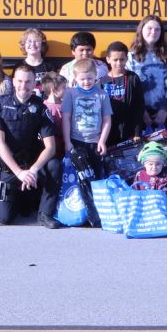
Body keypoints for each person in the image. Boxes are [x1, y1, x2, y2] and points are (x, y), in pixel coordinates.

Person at [0, 64, 63, 228]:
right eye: (20, 81)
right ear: (13, 82)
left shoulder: (41, 108)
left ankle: (44, 214)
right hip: (11, 166)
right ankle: (21, 200)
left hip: (33, 164)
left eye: (28, 82)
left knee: (55, 165)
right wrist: (19, 172)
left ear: (34, 83)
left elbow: (51, 147)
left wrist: (33, 170)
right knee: (5, 218)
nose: (24, 86)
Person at [61, 60, 112, 224]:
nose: (86, 82)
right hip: (77, 141)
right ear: (75, 78)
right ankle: (80, 213)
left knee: (95, 177)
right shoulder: (70, 94)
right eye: (82, 79)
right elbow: (66, 119)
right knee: (80, 179)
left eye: (90, 78)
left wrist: (102, 141)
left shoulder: (102, 94)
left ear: (96, 76)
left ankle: (95, 215)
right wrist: (67, 142)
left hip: (95, 142)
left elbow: (106, 120)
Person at [127, 15, 167, 131]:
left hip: (164, 116)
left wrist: (165, 109)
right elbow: (130, 87)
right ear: (141, 29)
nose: (153, 32)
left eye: (157, 29)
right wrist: (141, 111)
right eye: (149, 28)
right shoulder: (131, 57)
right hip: (138, 115)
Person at [99, 41, 145, 145]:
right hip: (108, 130)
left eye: (122, 59)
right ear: (108, 59)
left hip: (128, 129)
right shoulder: (102, 82)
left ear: (127, 59)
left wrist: (137, 132)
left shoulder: (133, 78)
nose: (118, 63)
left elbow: (139, 106)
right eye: (115, 60)